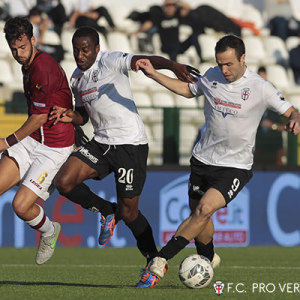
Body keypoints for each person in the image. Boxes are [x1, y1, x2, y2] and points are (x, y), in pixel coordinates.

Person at [134, 34, 300, 287]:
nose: (224, 70)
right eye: (220, 64)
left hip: (235, 166)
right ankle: (209, 257)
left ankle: (159, 261)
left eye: (229, 64)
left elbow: (290, 110)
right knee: (198, 217)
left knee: (203, 210)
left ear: (243, 58)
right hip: (203, 160)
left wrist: (294, 118)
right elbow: (187, 90)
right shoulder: (211, 75)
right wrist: (153, 74)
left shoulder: (260, 87)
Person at [48, 26, 198, 283]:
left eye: (85, 49)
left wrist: (172, 65)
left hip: (130, 145)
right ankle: (107, 211)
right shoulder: (76, 78)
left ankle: (154, 263)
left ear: (96, 48)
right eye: (76, 50)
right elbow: (84, 114)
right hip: (101, 144)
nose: (80, 55)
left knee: (130, 213)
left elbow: (144, 60)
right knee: (64, 182)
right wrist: (73, 116)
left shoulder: (110, 60)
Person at [0, 17, 75, 264]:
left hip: (54, 147)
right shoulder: (28, 65)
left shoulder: (43, 67)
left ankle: (49, 231)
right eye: (14, 49)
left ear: (33, 40)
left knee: (21, 207)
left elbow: (40, 117)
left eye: (23, 47)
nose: (18, 54)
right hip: (32, 140)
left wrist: (7, 141)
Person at [132, 0, 202, 62]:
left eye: (172, 6)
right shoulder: (160, 16)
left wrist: (176, 1)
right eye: (168, 6)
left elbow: (188, 8)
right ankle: (175, 68)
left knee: (194, 37)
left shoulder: (177, 15)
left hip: (178, 46)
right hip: (166, 47)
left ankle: (201, 59)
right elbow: (149, 24)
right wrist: (137, 31)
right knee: (173, 48)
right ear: (164, 7)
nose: (170, 8)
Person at [255, 66, 286, 165]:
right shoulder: (255, 108)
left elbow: (286, 127)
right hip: (260, 149)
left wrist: (272, 125)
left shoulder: (278, 110)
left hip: (275, 149)